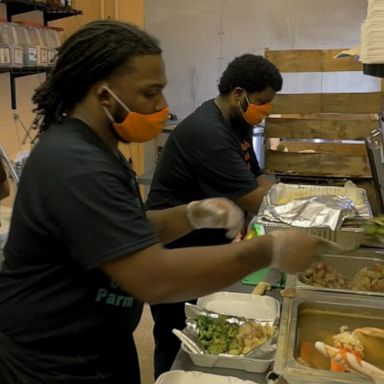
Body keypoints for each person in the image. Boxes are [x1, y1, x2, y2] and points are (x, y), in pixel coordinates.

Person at [0, 20, 321, 384]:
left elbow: (122, 228)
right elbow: (152, 277)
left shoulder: (99, 150)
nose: (162, 106)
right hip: (52, 362)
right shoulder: (73, 163)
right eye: (150, 93)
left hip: (102, 344)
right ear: (104, 95)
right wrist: (268, 251)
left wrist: (189, 215)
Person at [145, 54, 283, 377]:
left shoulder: (237, 123)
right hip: (171, 249)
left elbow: (259, 177)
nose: (267, 110)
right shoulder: (208, 134)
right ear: (239, 94)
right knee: (175, 335)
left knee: (200, 333)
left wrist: (267, 192)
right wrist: (272, 197)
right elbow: (255, 197)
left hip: (201, 243)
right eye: (262, 102)